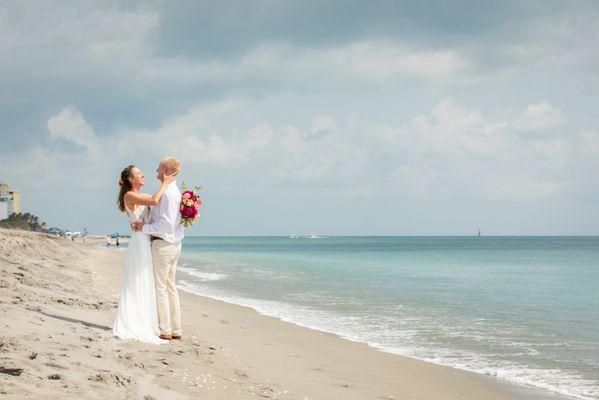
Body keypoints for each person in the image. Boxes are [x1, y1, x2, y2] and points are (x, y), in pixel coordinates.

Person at [112, 163, 175, 344]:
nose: (143, 175)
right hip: (140, 242)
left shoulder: (137, 195)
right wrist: (166, 182)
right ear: (131, 179)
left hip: (144, 239)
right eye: (139, 173)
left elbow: (157, 201)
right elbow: (155, 200)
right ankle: (136, 321)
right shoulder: (130, 195)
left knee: (145, 280)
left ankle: (145, 320)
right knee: (139, 280)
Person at [133, 157, 184, 341]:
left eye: (159, 168)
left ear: (165, 171)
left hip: (163, 244)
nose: (155, 170)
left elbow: (166, 225)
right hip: (173, 244)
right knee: (170, 287)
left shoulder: (169, 194)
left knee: (161, 288)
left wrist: (144, 228)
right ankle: (175, 329)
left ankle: (166, 329)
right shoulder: (172, 191)